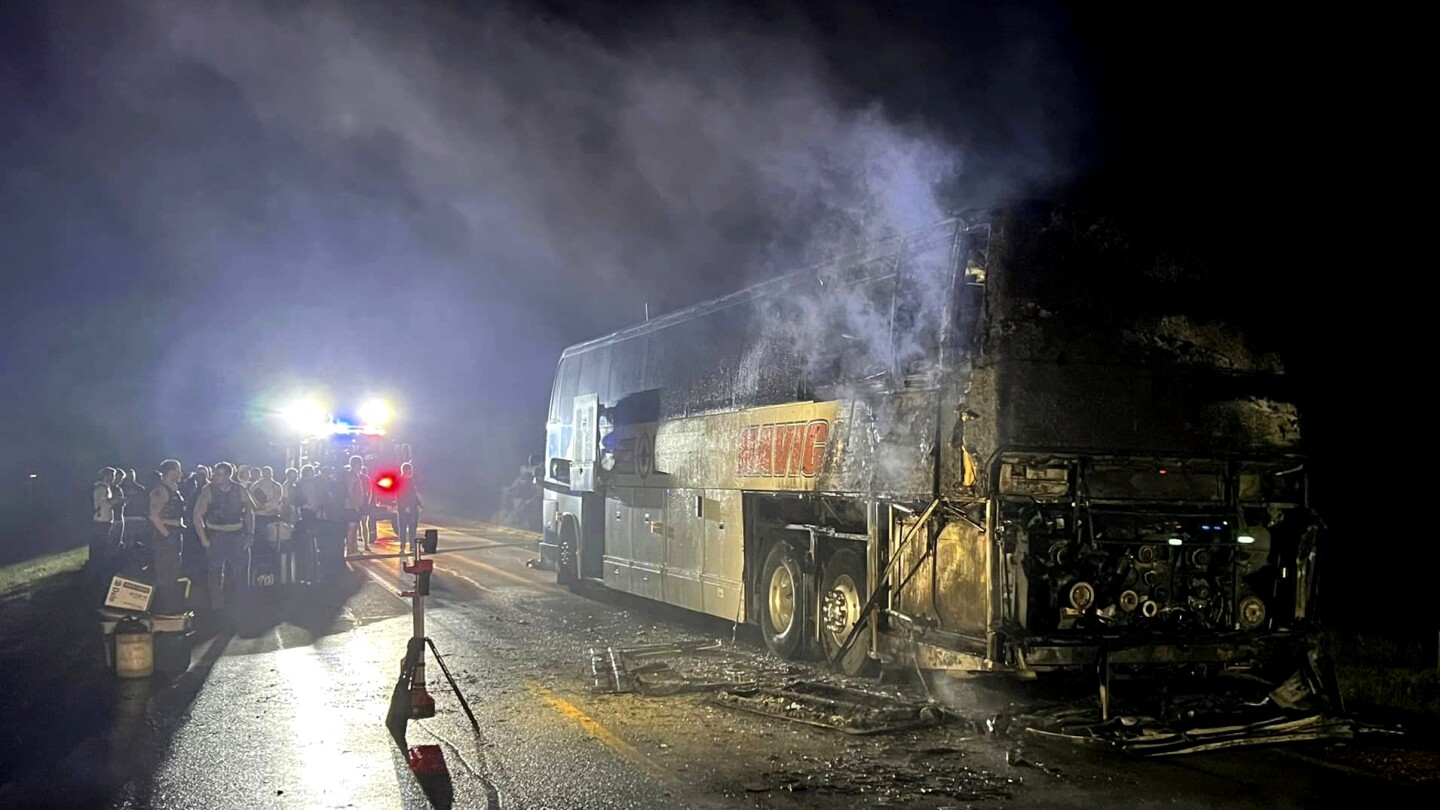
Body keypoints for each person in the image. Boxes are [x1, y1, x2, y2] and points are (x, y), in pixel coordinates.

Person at [193, 462, 257, 614]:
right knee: (215, 574)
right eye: (215, 473)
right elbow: (197, 515)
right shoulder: (208, 490)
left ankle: (243, 607)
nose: (215, 476)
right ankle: (217, 609)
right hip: (216, 536)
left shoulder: (240, 489)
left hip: (237, 534)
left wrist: (250, 534)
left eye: (219, 474)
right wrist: (203, 538)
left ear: (228, 475)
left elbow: (250, 512)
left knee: (242, 574)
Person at [146, 459, 188, 615]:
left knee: (174, 571)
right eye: (178, 470)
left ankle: (172, 606)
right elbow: (153, 516)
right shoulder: (160, 491)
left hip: (175, 534)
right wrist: (167, 534)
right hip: (165, 537)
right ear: (171, 471)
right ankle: (163, 608)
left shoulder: (174, 489)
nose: (180, 473)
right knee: (165, 573)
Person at [89, 467, 118, 575]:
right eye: (112, 475)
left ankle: (97, 565)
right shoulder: (101, 488)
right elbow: (102, 503)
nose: (113, 478)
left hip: (104, 519)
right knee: (100, 544)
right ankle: (96, 566)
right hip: (101, 520)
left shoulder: (105, 487)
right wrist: (115, 501)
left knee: (101, 544)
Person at [393, 462, 423, 552]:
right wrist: (405, 506)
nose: (411, 471)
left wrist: (419, 504)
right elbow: (400, 496)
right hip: (405, 508)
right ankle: (403, 546)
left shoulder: (410, 480)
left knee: (412, 527)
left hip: (412, 507)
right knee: (404, 527)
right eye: (409, 469)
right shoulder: (401, 481)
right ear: (406, 470)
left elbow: (414, 494)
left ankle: (411, 546)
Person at [343, 456, 369, 555]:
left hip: (355, 505)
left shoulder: (355, 475)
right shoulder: (352, 476)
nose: (361, 465)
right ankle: (350, 550)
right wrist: (356, 502)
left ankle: (354, 548)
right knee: (352, 529)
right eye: (359, 463)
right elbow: (350, 491)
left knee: (355, 528)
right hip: (351, 506)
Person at [250, 466, 283, 540]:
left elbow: (277, 499)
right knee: (263, 538)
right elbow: (252, 498)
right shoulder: (255, 485)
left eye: (268, 473)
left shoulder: (276, 486)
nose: (267, 474)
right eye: (265, 472)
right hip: (261, 515)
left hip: (270, 515)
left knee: (269, 537)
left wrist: (264, 506)